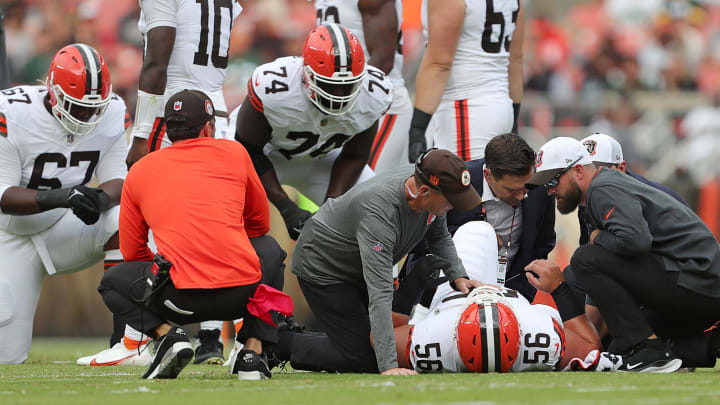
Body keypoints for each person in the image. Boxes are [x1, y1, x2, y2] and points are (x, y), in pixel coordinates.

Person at [88, 0, 245, 366]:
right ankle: (233, 339)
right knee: (216, 225)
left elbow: (158, 56)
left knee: (140, 220)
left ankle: (137, 341)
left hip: (172, 111)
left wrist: (142, 132)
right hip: (214, 110)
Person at [98, 90, 291, 380]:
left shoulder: (140, 171)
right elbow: (259, 225)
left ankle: (167, 336)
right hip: (241, 296)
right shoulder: (235, 153)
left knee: (113, 282)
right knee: (271, 250)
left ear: (167, 130)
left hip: (178, 302)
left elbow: (132, 252)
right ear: (208, 127)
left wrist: (174, 264)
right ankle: (252, 351)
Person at [276, 149, 484, 375]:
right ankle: (279, 342)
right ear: (424, 191)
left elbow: (439, 236)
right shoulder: (380, 215)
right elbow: (381, 294)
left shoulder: (427, 185)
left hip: (355, 267)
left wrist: (459, 276)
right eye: (451, 201)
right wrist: (389, 367)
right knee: (366, 359)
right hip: (323, 268)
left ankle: (291, 338)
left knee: (371, 344)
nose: (454, 206)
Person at [526, 136, 720, 373]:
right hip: (697, 282)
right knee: (617, 347)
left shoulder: (602, 187)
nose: (550, 190)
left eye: (553, 180)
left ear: (578, 171)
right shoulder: (602, 190)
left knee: (583, 260)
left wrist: (596, 239)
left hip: (697, 280)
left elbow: (635, 241)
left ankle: (645, 348)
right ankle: (706, 345)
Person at [0, 44, 129, 364]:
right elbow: (2, 196)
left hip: (62, 230)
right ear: (52, 91)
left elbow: (119, 179)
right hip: (8, 236)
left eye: (93, 108)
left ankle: (127, 340)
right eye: (77, 107)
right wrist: (59, 197)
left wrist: (101, 197)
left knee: (125, 217)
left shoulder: (111, 110)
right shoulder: (11, 113)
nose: (86, 116)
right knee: (6, 360)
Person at [231, 22, 393, 240]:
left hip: (321, 160)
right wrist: (286, 207)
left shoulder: (374, 94)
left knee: (378, 211)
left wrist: (330, 208)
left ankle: (384, 274)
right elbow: (248, 148)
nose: (339, 95)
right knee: (220, 198)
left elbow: (355, 156)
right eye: (329, 85)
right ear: (306, 74)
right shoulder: (274, 86)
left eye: (348, 86)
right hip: (263, 157)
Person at [390, 219, 600, 373]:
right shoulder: (538, 338)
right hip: (516, 307)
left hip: (451, 306)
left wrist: (410, 288)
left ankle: (423, 315)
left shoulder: (433, 342)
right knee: (548, 313)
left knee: (477, 230)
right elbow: (590, 345)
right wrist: (559, 288)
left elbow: (382, 339)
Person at [394, 133, 555, 311]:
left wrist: (522, 295)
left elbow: (542, 244)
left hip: (507, 297)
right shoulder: (454, 184)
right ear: (488, 175)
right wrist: (476, 238)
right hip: (442, 295)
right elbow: (419, 241)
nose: (522, 195)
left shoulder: (539, 188)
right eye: (511, 189)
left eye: (526, 187)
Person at [564, 132, 690, 346]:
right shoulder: (590, 196)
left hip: (678, 281)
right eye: (586, 169)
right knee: (575, 273)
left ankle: (659, 342)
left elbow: (635, 253)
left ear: (621, 168)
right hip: (649, 275)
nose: (591, 176)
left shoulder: (644, 197)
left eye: (599, 169)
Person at [408, 0, 525, 162]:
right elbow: (515, 62)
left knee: (461, 185)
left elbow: (439, 64)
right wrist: (513, 118)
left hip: (465, 109)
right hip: (500, 105)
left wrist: (417, 129)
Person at [315, 0, 412, 174]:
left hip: (379, 105)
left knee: (363, 190)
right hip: (342, 103)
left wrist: (341, 103)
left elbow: (383, 59)